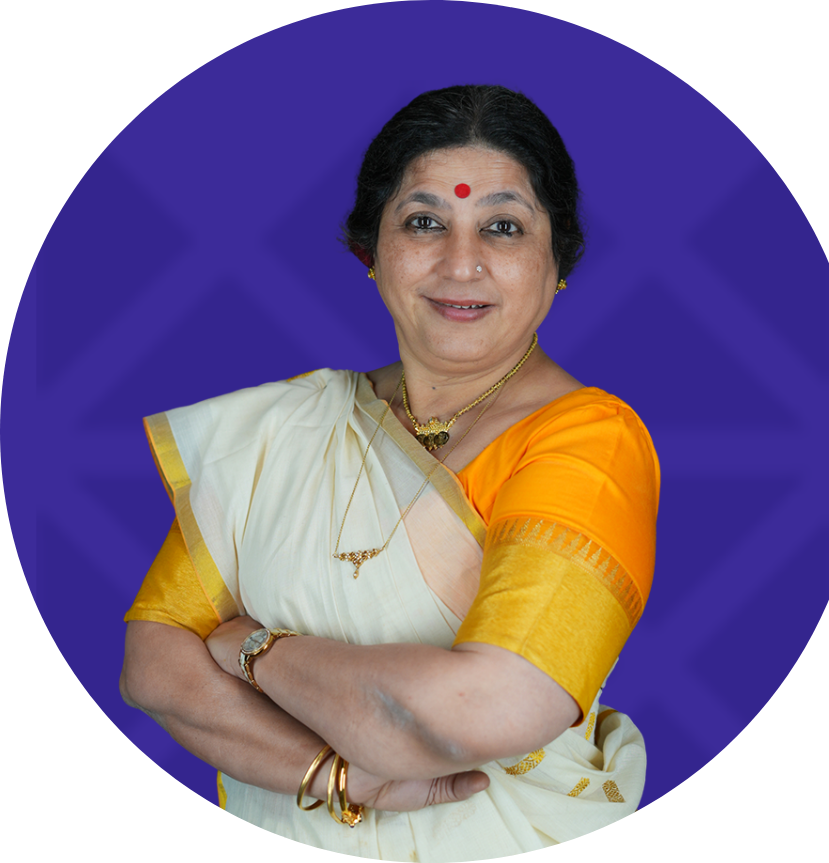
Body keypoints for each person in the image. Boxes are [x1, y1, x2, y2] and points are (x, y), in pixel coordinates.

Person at [120, 84, 660, 858]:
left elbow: (477, 712)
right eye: (423, 222)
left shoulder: (588, 439)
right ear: (369, 251)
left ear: (558, 261)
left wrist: (252, 649)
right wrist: (334, 775)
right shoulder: (285, 428)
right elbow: (154, 665)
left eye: (502, 226)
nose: (461, 263)